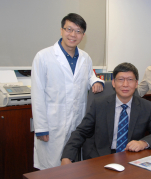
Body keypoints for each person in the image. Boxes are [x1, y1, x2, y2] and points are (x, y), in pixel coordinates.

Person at [31, 13, 104, 170]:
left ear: (83, 35)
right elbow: (37, 94)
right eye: (69, 29)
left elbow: (90, 76)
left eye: (78, 31)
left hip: (77, 122)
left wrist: (96, 81)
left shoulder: (85, 58)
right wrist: (41, 127)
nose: (73, 34)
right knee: (51, 169)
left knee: (74, 167)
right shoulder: (43, 57)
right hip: (52, 124)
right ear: (61, 30)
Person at [61, 63, 151, 165]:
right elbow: (81, 132)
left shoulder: (146, 106)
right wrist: (67, 157)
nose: (125, 84)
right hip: (101, 158)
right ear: (113, 83)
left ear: (136, 84)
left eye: (130, 80)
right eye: (121, 79)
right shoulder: (99, 104)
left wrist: (143, 143)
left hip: (131, 157)